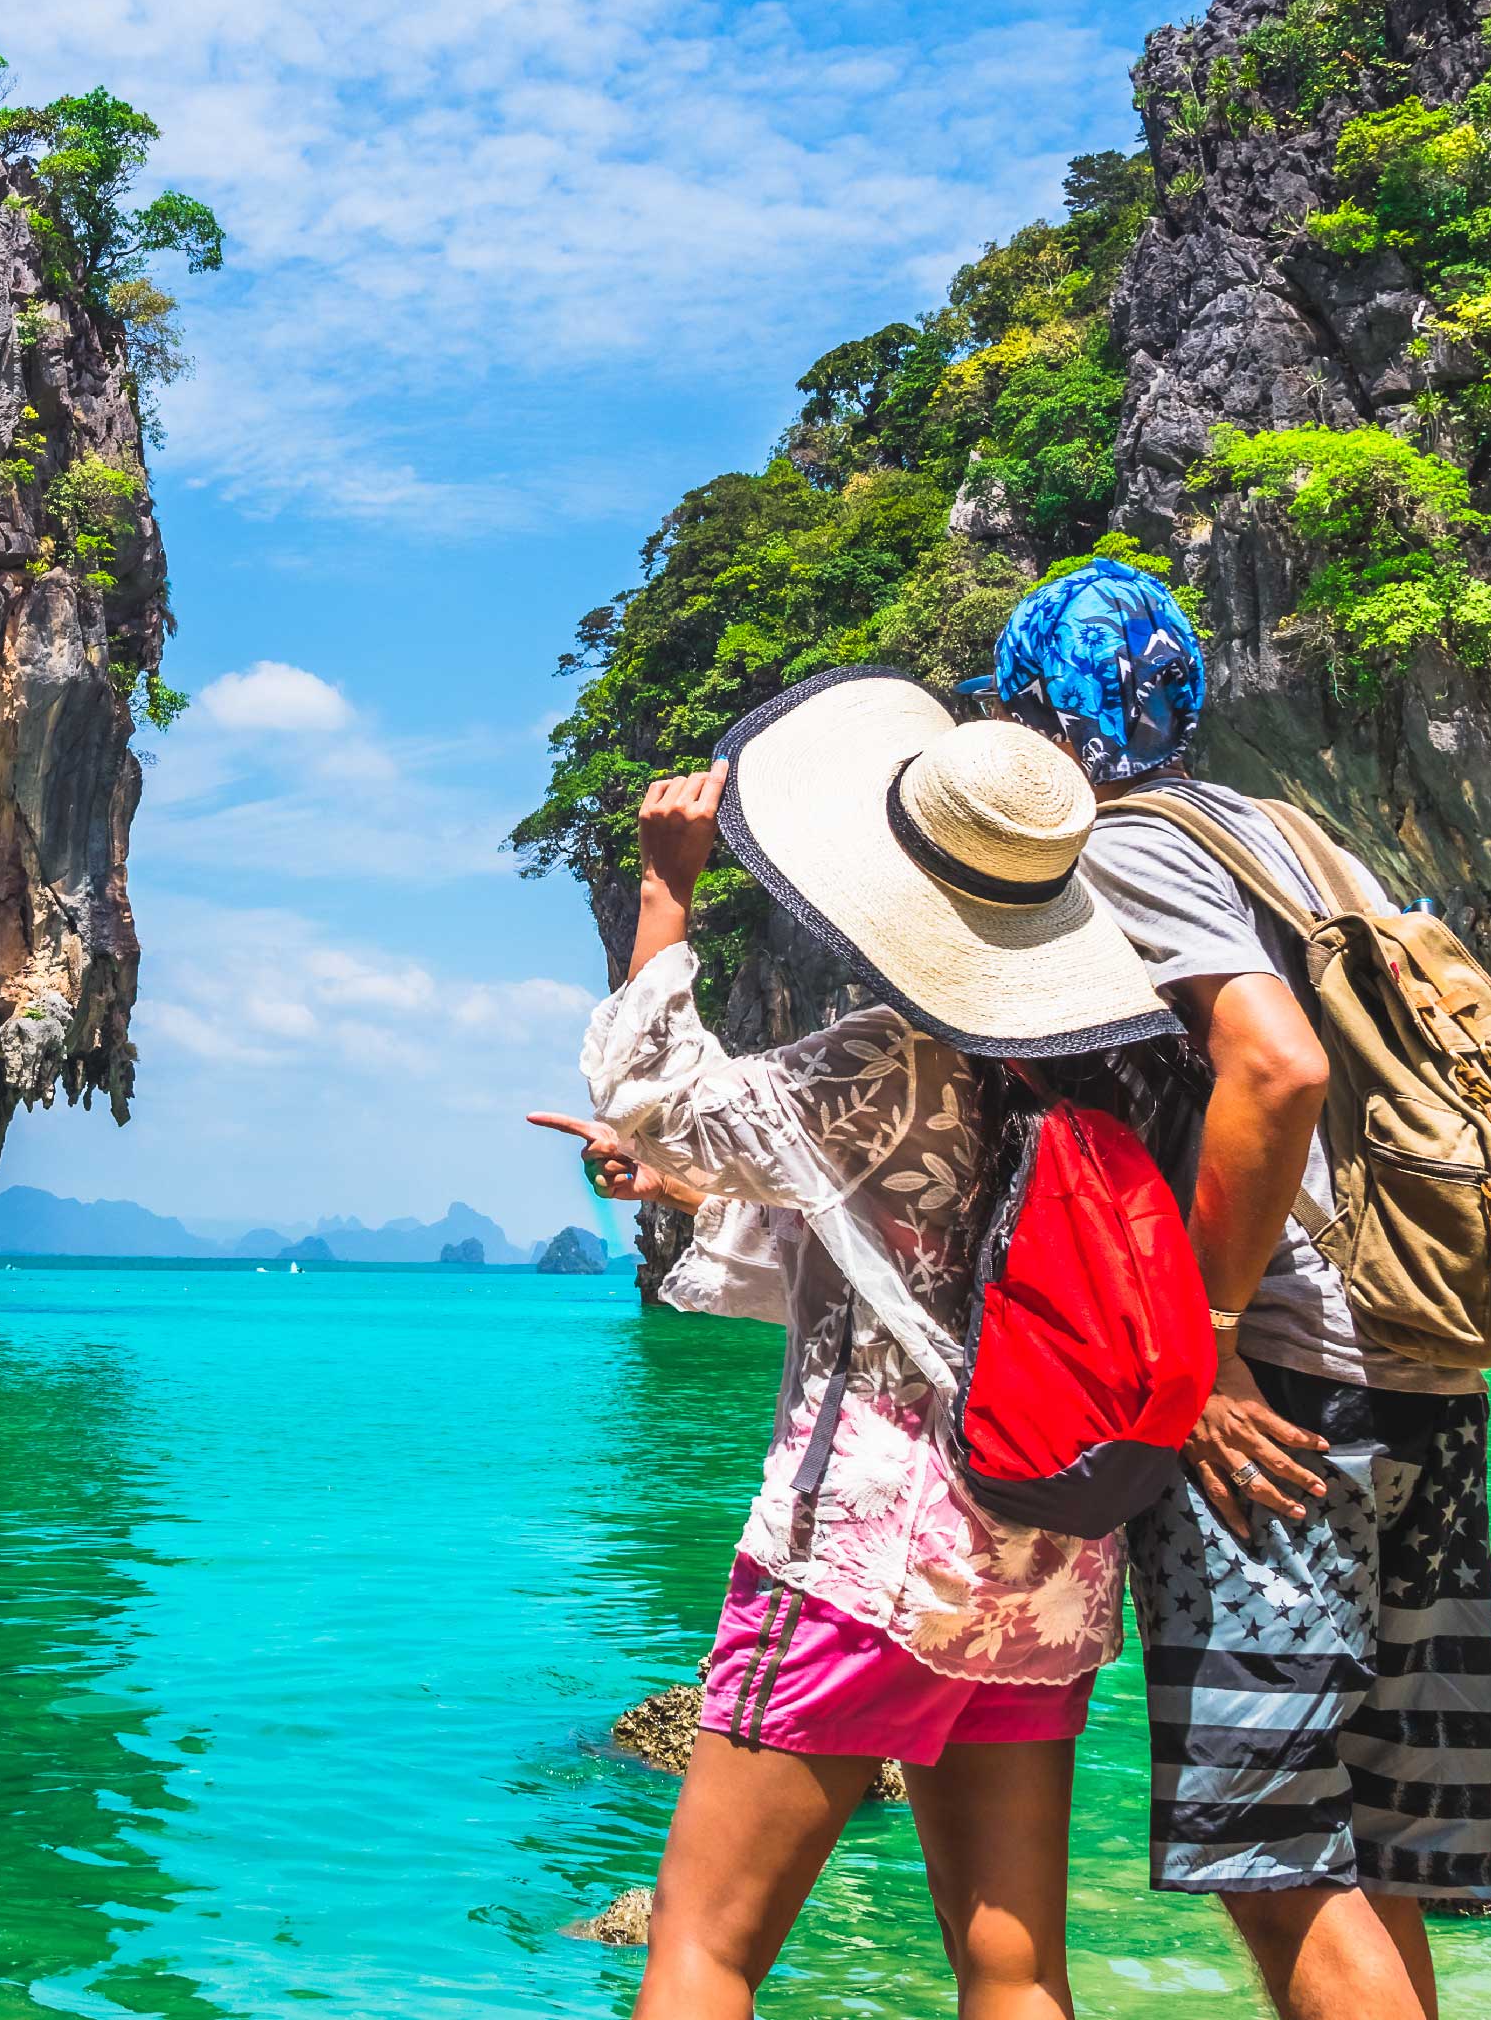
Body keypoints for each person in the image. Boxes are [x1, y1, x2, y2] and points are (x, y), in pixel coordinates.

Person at [528, 669, 1192, 2020]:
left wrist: (666, 894)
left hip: (863, 1562)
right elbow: (927, 1264)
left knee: (704, 1951)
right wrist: (687, 1191)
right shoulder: (1121, 1067)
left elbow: (656, 1097)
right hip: (1044, 1559)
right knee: (1013, 1965)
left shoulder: (891, 1060)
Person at [971, 563, 1491, 2020]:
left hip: (1295, 1391)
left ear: (1043, 713)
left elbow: (1280, 1066)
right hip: (1430, 1373)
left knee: (1266, 1845)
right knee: (1365, 1836)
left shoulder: (1128, 848)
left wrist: (1212, 1342)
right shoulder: (1297, 838)